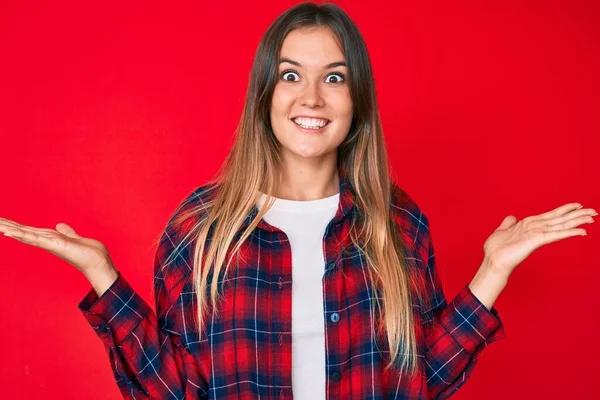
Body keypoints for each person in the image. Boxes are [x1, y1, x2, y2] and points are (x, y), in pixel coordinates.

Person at [0, 2, 596, 399]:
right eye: (291, 75)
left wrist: (493, 271)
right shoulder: (200, 228)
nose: (312, 97)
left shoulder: (398, 222)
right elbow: (173, 389)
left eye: (334, 78)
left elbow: (420, 382)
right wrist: (101, 275)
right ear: (265, 95)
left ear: (356, 100)